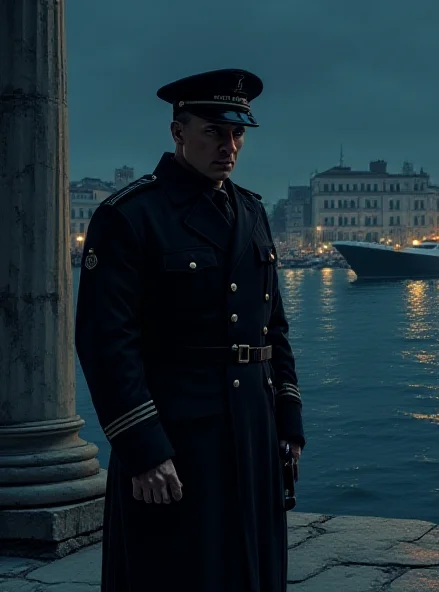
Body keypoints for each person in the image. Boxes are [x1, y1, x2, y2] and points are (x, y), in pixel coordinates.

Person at [74, 68, 305, 592]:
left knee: (255, 568)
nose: (230, 146)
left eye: (238, 133)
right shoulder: (130, 216)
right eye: (214, 132)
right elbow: (106, 343)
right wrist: (143, 448)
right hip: (178, 432)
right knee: (179, 570)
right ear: (178, 133)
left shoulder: (250, 209)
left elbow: (274, 324)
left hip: (252, 426)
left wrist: (288, 420)